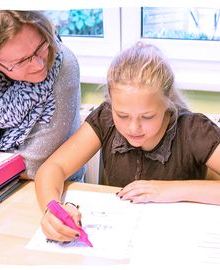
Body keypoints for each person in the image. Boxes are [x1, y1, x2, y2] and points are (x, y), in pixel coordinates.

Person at [35, 41, 220, 242]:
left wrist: (167, 190)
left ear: (167, 102)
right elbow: (53, 167)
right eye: (122, 115)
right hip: (121, 239)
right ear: (110, 103)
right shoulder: (105, 118)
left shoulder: (194, 129)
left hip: (178, 238)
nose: (133, 128)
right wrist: (52, 209)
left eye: (147, 117)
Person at [0, 10, 84, 180]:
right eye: (22, 60)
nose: (39, 64)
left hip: (45, 185)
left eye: (41, 45)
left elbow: (35, 164)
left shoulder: (64, 64)